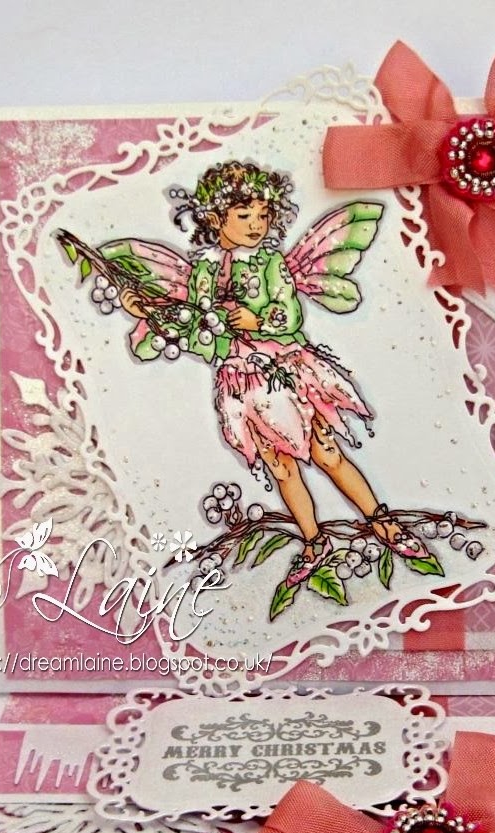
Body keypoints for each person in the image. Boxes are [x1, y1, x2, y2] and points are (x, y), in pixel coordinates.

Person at [118, 161, 427, 587]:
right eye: (244, 215)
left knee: (326, 453)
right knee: (281, 468)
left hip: (286, 373)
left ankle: (381, 521)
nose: (256, 224)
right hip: (242, 385)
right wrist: (149, 311)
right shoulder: (204, 273)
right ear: (215, 219)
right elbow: (197, 332)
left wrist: (257, 320)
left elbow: (290, 314)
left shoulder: (270, 264)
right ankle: (314, 540)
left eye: (263, 215)